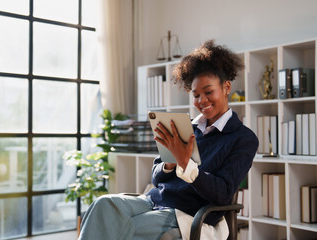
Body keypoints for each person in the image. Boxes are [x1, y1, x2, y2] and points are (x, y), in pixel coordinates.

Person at [78, 40, 259, 240]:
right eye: (196, 94)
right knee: (103, 204)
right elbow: (156, 178)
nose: (202, 101)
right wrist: (169, 163)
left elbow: (223, 194)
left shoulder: (243, 139)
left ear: (226, 87)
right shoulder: (185, 127)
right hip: (154, 201)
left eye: (208, 92)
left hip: (187, 212)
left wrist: (186, 164)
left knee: (121, 227)